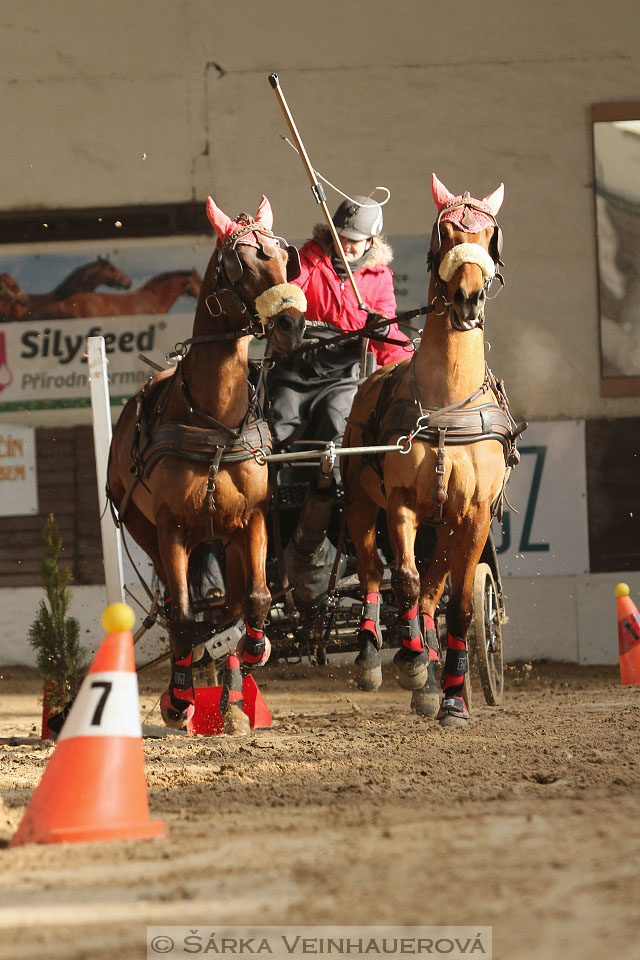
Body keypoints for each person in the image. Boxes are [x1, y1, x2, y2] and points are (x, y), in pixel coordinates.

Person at [267, 195, 411, 448]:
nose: (345, 244)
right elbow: (292, 290)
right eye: (340, 236)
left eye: (354, 240)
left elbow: (390, 337)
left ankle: (332, 483)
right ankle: (273, 485)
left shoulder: (381, 278)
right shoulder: (309, 259)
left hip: (345, 375)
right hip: (296, 369)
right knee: (278, 422)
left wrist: (385, 331)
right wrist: (286, 306)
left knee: (338, 423)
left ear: (370, 242)